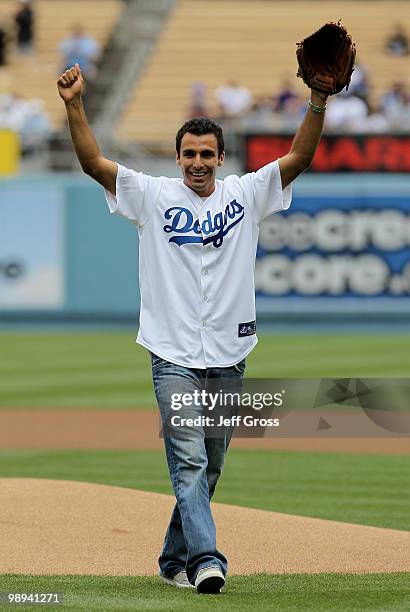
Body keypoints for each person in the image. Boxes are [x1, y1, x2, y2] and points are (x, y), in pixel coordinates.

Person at [57, 63, 328, 594]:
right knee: (188, 459)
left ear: (220, 158)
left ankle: (171, 557)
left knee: (211, 465)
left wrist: (317, 99)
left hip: (230, 350)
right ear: (178, 157)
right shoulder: (153, 195)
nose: (198, 162)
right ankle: (207, 559)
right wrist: (74, 105)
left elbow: (299, 158)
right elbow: (92, 162)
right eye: (189, 154)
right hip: (172, 353)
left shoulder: (245, 195)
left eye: (207, 154)